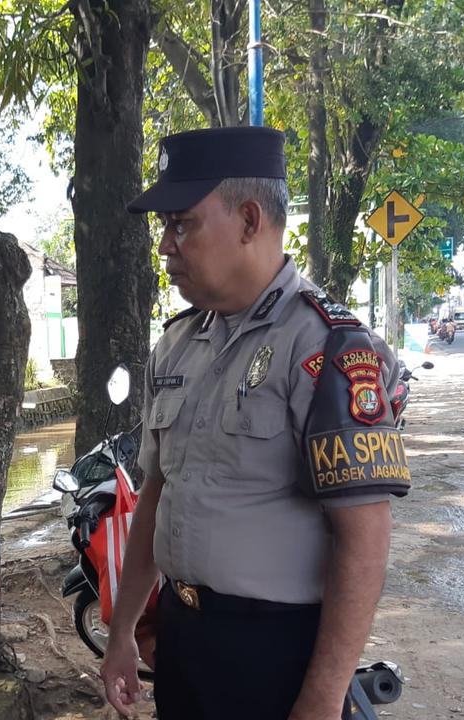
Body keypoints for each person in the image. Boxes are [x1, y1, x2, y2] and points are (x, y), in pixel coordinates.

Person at [98, 126, 410, 719]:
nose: (164, 245)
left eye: (181, 224)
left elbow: (365, 537)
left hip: (276, 653)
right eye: (164, 227)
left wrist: (322, 698)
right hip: (183, 639)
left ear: (248, 220)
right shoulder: (177, 345)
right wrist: (123, 630)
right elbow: (156, 495)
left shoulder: (327, 346)